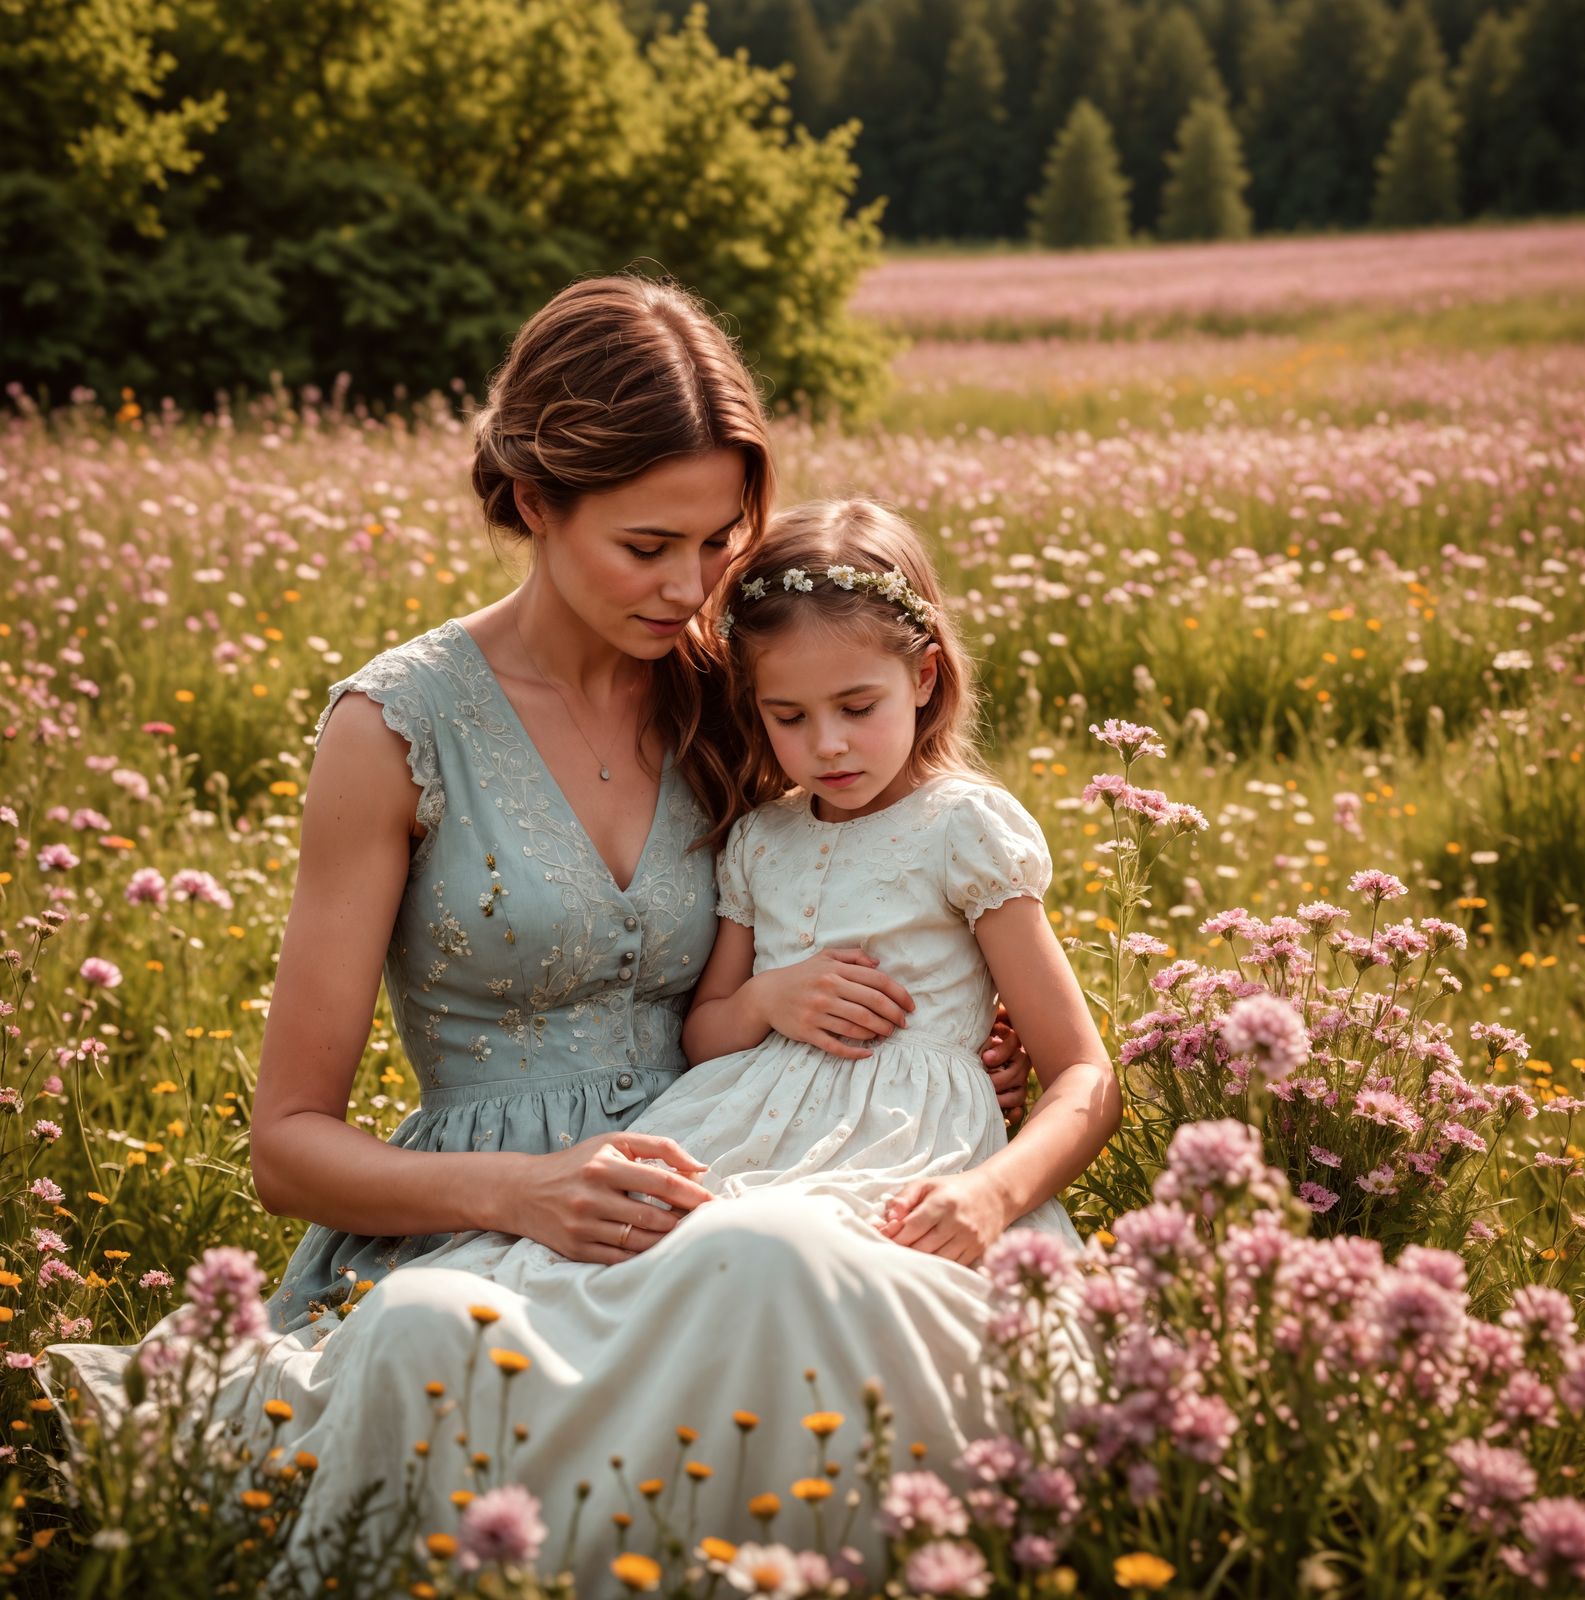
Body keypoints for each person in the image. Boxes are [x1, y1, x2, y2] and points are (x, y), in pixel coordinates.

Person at [37, 279, 1052, 1567]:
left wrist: (953, 1024)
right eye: (646, 547)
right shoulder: (395, 729)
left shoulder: (742, 700)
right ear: (532, 501)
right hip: (481, 1215)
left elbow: (859, 868)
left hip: (741, 1177)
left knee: (794, 1325)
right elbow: (286, 1149)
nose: (691, 589)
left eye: (717, 542)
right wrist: (528, 1192)